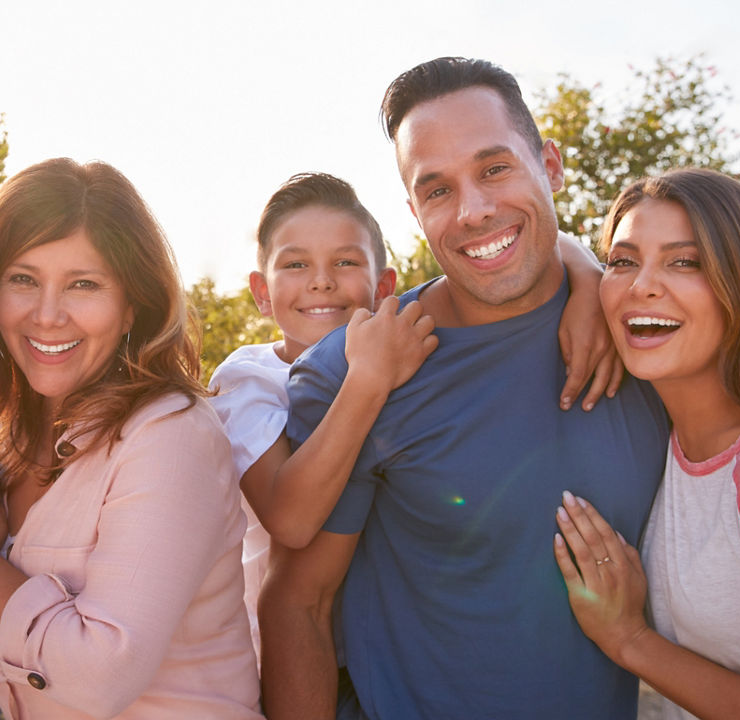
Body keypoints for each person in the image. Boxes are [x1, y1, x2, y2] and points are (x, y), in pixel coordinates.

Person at [258, 57, 672, 720]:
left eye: (495, 168)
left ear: (552, 166)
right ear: (414, 210)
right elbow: (298, 604)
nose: (475, 210)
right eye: (437, 189)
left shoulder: (649, 335)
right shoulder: (355, 371)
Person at [207, 171, 616, 660]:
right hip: (273, 661)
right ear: (261, 291)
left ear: (385, 287)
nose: (321, 280)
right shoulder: (249, 380)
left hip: (387, 646)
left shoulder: (404, 333)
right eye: (295, 264)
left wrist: (587, 275)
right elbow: (290, 520)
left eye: (345, 261)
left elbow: (525, 255)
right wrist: (367, 380)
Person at [0, 158, 261, 719]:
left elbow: (97, 677)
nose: (47, 315)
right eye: (23, 279)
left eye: (83, 285)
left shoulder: (169, 436)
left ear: (132, 303)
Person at [553, 168, 740, 719]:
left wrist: (629, 640)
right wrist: (577, 266)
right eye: (623, 261)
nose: (641, 284)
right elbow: (529, 235)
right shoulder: (661, 425)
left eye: (685, 261)